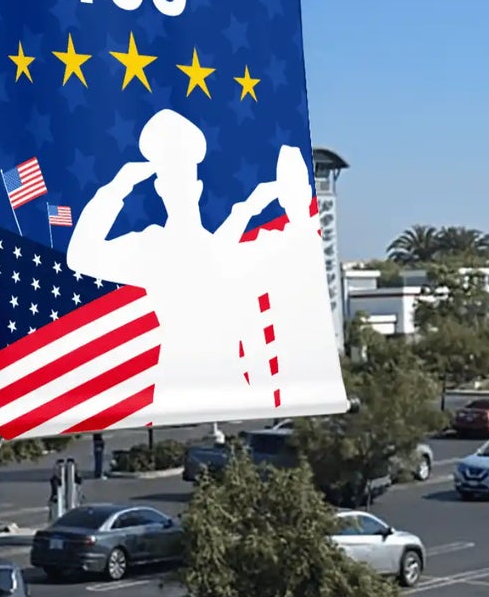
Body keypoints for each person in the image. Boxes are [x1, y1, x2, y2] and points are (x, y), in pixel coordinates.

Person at [68, 108, 338, 419]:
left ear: (197, 187)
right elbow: (81, 255)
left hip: (224, 387)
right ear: (158, 189)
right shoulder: (156, 246)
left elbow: (299, 246)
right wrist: (118, 188)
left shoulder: (212, 249)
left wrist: (271, 204)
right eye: (169, 178)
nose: (177, 188)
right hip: (182, 387)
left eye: (183, 178)